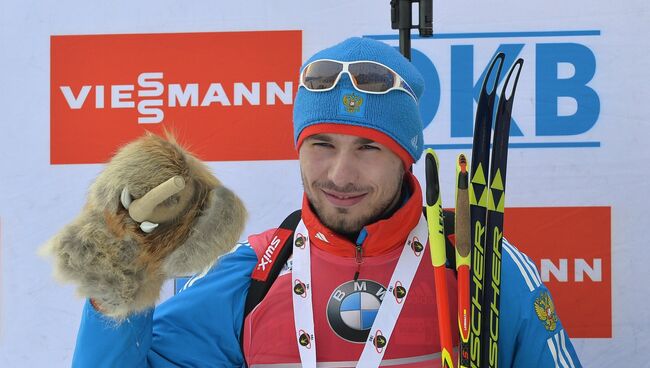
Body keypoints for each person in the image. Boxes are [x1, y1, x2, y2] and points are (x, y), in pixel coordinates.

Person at [71, 37, 581, 367]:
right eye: (322, 145)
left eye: (367, 148)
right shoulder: (254, 273)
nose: (340, 174)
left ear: (405, 157)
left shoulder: (483, 266)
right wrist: (121, 274)